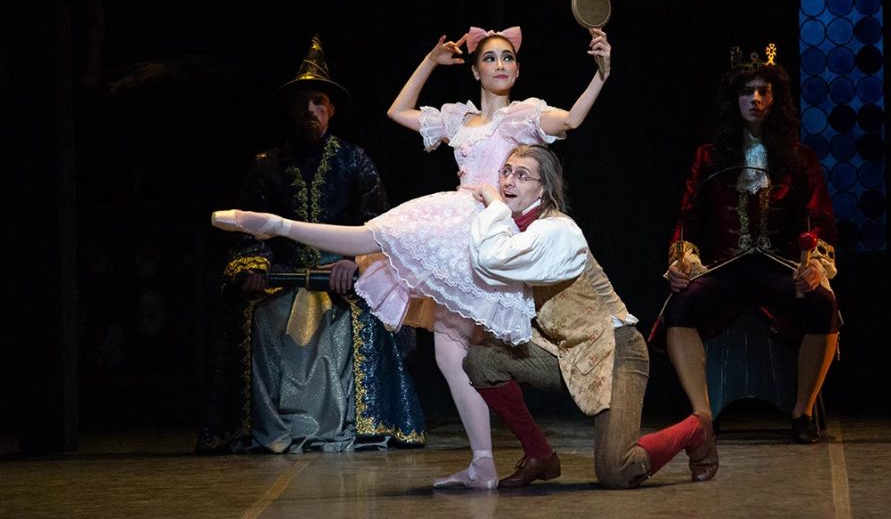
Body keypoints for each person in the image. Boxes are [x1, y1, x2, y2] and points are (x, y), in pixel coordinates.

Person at [211, 26, 612, 487]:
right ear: (477, 71)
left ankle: (275, 223)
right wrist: (429, 60)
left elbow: (573, 120)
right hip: (456, 221)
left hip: (486, 226)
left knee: (375, 237)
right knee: (448, 352)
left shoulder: (524, 116)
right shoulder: (460, 119)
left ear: (517, 69)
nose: (499, 65)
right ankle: (484, 463)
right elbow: (398, 111)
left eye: (507, 58)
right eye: (490, 58)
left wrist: (600, 73)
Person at [197, 34, 426, 454]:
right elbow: (249, 228)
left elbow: (379, 225)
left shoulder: (355, 160)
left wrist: (353, 261)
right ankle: (266, 428)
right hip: (283, 274)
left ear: (332, 109)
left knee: (364, 314)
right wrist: (253, 265)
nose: (310, 110)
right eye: (302, 102)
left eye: (318, 101)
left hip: (341, 273)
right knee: (253, 318)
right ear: (290, 110)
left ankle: (359, 423)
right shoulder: (266, 166)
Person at [461, 144, 718, 489]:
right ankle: (539, 455)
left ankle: (697, 429)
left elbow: (492, 260)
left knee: (617, 470)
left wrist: (492, 205)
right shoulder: (514, 229)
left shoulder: (556, 231)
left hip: (615, 349)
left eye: (522, 175)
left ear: (545, 187)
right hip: (565, 351)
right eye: (506, 172)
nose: (508, 181)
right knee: (482, 360)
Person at [647, 44, 841, 444]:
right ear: (733, 99)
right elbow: (688, 217)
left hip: (778, 269)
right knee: (679, 307)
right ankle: (701, 416)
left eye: (763, 91)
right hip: (725, 268)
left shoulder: (799, 159)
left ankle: (802, 411)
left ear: (776, 98)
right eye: (746, 91)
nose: (754, 99)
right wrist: (683, 260)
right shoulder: (710, 157)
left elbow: (818, 218)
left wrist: (814, 265)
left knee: (823, 303)